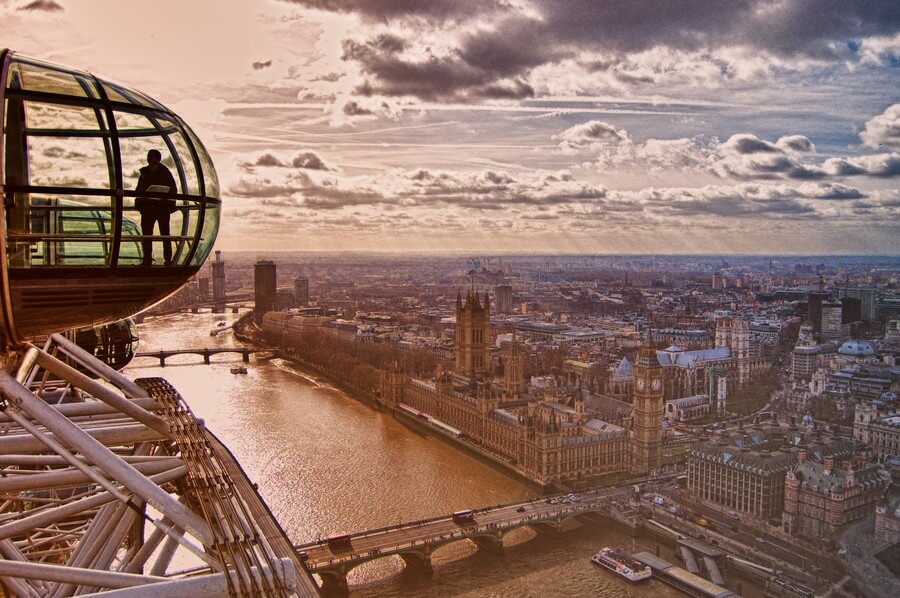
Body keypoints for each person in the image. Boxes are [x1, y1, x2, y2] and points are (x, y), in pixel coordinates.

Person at [135, 149, 177, 266]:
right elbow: (139, 190)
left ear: (157, 159)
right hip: (154, 209)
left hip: (157, 208)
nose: (149, 159)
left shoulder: (148, 173)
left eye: (151, 157)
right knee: (150, 235)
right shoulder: (161, 173)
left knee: (162, 234)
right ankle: (150, 260)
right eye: (149, 156)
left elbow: (172, 190)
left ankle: (163, 260)